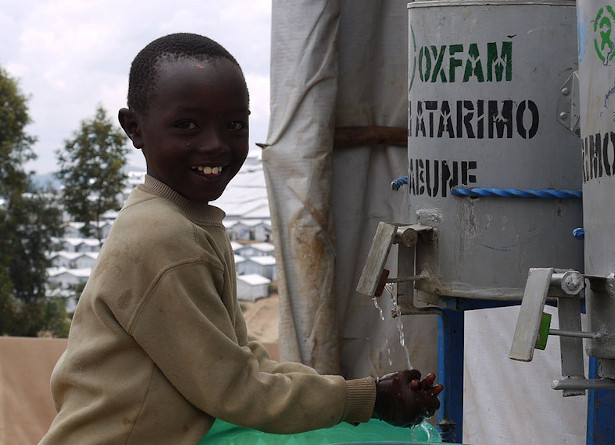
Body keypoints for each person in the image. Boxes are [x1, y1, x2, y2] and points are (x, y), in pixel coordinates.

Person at [40, 32, 442, 444]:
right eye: (187, 125)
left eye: (234, 125)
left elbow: (243, 359)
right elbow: (237, 390)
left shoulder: (186, 220)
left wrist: (365, 393)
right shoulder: (164, 238)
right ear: (134, 128)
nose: (215, 145)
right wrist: (369, 399)